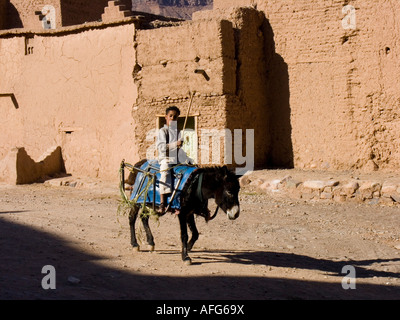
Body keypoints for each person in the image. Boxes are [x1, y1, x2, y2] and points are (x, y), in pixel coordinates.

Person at [156, 106, 193, 214]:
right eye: (171, 116)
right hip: (165, 158)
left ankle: (181, 201)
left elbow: (179, 150)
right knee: (165, 172)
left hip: (176, 159)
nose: (173, 118)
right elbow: (161, 147)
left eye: (175, 117)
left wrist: (187, 158)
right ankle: (163, 202)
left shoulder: (178, 132)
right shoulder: (163, 131)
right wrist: (175, 144)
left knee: (188, 171)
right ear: (166, 117)